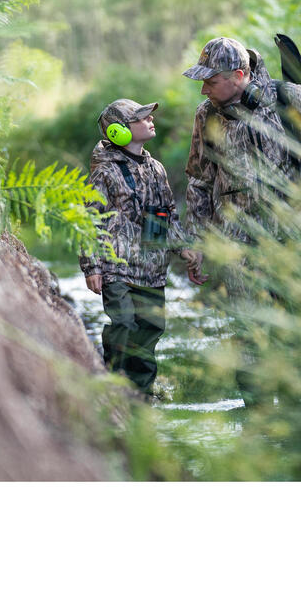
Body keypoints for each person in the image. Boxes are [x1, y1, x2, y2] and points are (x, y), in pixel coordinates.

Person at [182, 36, 301, 403]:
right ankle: (258, 424)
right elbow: (199, 180)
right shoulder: (206, 115)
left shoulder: (291, 99)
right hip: (237, 246)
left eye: (211, 80)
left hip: (298, 242)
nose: (203, 88)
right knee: (248, 334)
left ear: (239, 75)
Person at [79, 98, 201, 394]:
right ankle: (114, 386)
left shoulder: (156, 168)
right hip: (116, 267)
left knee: (150, 330)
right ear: (119, 131)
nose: (151, 120)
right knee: (123, 324)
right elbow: (88, 220)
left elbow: (166, 216)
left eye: (149, 116)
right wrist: (92, 266)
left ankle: (142, 397)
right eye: (142, 118)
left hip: (152, 269)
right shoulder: (105, 171)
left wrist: (182, 248)